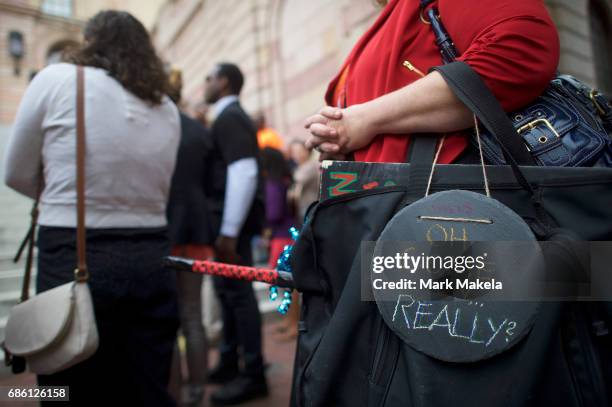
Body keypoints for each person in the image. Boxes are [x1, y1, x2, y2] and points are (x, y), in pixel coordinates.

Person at [3, 10, 180, 406]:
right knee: (147, 382)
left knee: (64, 386)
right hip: (152, 254)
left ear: (91, 41)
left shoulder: (56, 79)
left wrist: (65, 195)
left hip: (74, 248)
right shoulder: (166, 106)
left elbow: (15, 173)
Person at [304, 0, 559, 166]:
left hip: (448, 219)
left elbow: (521, 49)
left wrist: (365, 119)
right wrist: (338, 139)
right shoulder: (391, 16)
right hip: (389, 217)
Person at [203, 62, 267, 405]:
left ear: (224, 82)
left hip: (232, 229)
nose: (205, 84)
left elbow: (243, 174)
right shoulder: (229, 117)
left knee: (239, 299)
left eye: (209, 78)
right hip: (227, 224)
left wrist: (228, 232)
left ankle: (253, 373)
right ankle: (230, 362)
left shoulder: (230, 118)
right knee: (228, 295)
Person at [165, 67, 213, 407]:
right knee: (193, 315)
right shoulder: (198, 130)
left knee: (166, 319)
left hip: (163, 229)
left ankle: (174, 393)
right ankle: (198, 389)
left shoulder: (151, 128)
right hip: (196, 227)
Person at [288, 140, 320, 223]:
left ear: (307, 151)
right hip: (302, 207)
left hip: (309, 206)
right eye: (293, 151)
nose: (295, 154)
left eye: (299, 151)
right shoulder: (299, 167)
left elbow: (297, 179)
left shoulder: (310, 166)